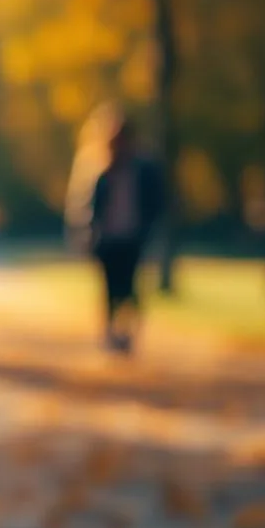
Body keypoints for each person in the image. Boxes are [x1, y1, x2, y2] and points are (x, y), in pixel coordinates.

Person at [86, 112, 166, 354]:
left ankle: (128, 333)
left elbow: (156, 202)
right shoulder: (103, 170)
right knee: (110, 288)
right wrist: (91, 234)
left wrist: (148, 230)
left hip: (133, 237)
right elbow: (93, 206)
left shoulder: (143, 169)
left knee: (130, 287)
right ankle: (111, 333)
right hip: (109, 238)